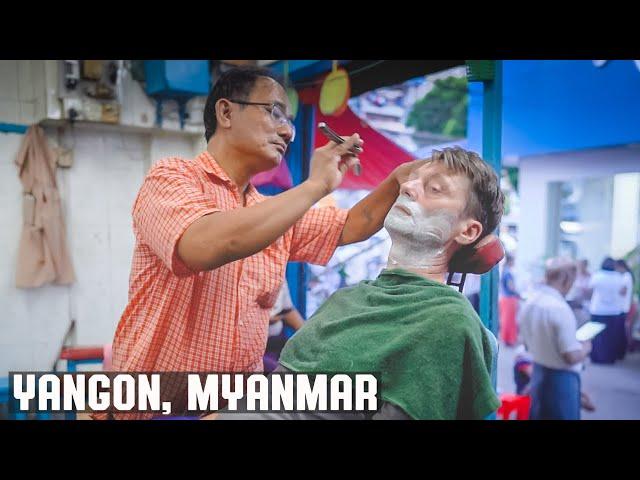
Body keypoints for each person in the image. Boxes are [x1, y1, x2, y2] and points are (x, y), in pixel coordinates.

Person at [99, 65, 425, 419]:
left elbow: (354, 223)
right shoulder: (172, 178)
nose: (287, 131)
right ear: (226, 112)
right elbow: (208, 245)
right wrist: (315, 186)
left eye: (289, 121)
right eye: (274, 112)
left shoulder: (269, 212)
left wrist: (396, 181)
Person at [214, 146, 505, 420]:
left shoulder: (447, 324)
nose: (406, 187)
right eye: (413, 180)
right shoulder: (347, 299)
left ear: (468, 231)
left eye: (434, 189)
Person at [519, 258, 592, 420]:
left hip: (539, 373)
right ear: (566, 279)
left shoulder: (530, 302)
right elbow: (571, 356)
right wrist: (586, 348)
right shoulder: (559, 308)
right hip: (561, 380)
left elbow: (525, 343)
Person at [588, 257, 627, 364]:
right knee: (610, 336)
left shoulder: (597, 276)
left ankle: (596, 357)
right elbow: (623, 291)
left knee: (596, 335)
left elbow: (589, 288)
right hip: (613, 310)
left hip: (598, 309)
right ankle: (609, 358)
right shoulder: (619, 277)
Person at [263, 280, 304, 373]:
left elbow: (288, 311)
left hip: (278, 342)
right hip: (255, 348)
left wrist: (311, 336)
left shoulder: (278, 274)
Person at [499, 253, 521, 346]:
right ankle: (509, 340)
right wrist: (518, 294)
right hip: (509, 299)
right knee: (509, 320)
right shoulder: (508, 272)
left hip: (505, 298)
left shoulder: (505, 271)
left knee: (506, 320)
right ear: (510, 261)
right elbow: (510, 286)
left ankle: (507, 339)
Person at [615, 259, 635, 359]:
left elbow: (622, 291)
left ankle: (622, 352)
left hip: (624, 307)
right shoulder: (628, 276)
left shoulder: (626, 276)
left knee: (623, 331)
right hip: (625, 307)